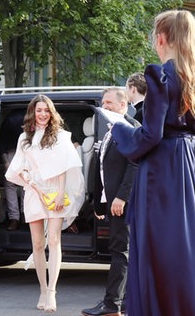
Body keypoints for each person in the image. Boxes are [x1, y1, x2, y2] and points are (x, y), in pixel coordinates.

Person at [110, 10, 195, 316]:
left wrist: (119, 129)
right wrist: (190, 152)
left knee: (158, 250)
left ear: (161, 39)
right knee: (188, 249)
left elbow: (149, 136)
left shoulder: (162, 76)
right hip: (191, 166)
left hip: (161, 170)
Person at [5, 94, 85, 313]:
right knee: (38, 243)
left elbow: (63, 167)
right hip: (33, 192)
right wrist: (35, 187)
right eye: (39, 110)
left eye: (46, 110)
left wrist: (59, 194)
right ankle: (42, 288)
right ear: (33, 112)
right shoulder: (24, 138)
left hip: (56, 192)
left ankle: (52, 291)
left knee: (55, 241)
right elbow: (17, 169)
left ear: (51, 113)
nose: (42, 114)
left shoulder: (60, 136)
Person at [81, 88, 139, 316]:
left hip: (124, 203)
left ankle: (111, 305)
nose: (104, 106)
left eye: (109, 103)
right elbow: (102, 168)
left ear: (123, 105)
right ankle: (118, 303)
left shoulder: (131, 128)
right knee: (118, 251)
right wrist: (98, 202)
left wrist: (122, 197)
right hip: (110, 201)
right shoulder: (110, 130)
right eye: (102, 103)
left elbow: (135, 165)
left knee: (120, 252)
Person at [0, 110, 26, 231]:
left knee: (27, 183)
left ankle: (25, 215)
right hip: (11, 151)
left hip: (27, 151)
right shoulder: (10, 120)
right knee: (11, 183)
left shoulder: (34, 116)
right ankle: (15, 218)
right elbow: (1, 142)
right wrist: (5, 161)